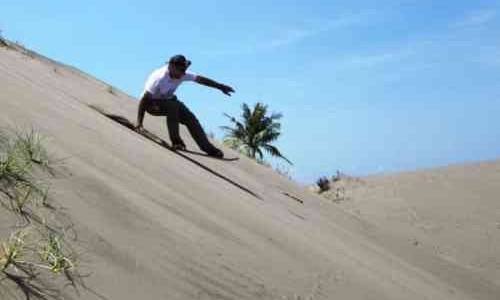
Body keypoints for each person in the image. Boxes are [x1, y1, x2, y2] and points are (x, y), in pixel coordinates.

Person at [135, 55, 235, 158]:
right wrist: (139, 124)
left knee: (190, 118)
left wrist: (220, 86)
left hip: (168, 102)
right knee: (173, 106)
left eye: (184, 70)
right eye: (181, 70)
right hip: (151, 104)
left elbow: (201, 79)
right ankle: (176, 141)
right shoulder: (159, 78)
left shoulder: (182, 74)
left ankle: (208, 148)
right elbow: (144, 99)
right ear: (171, 67)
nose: (183, 73)